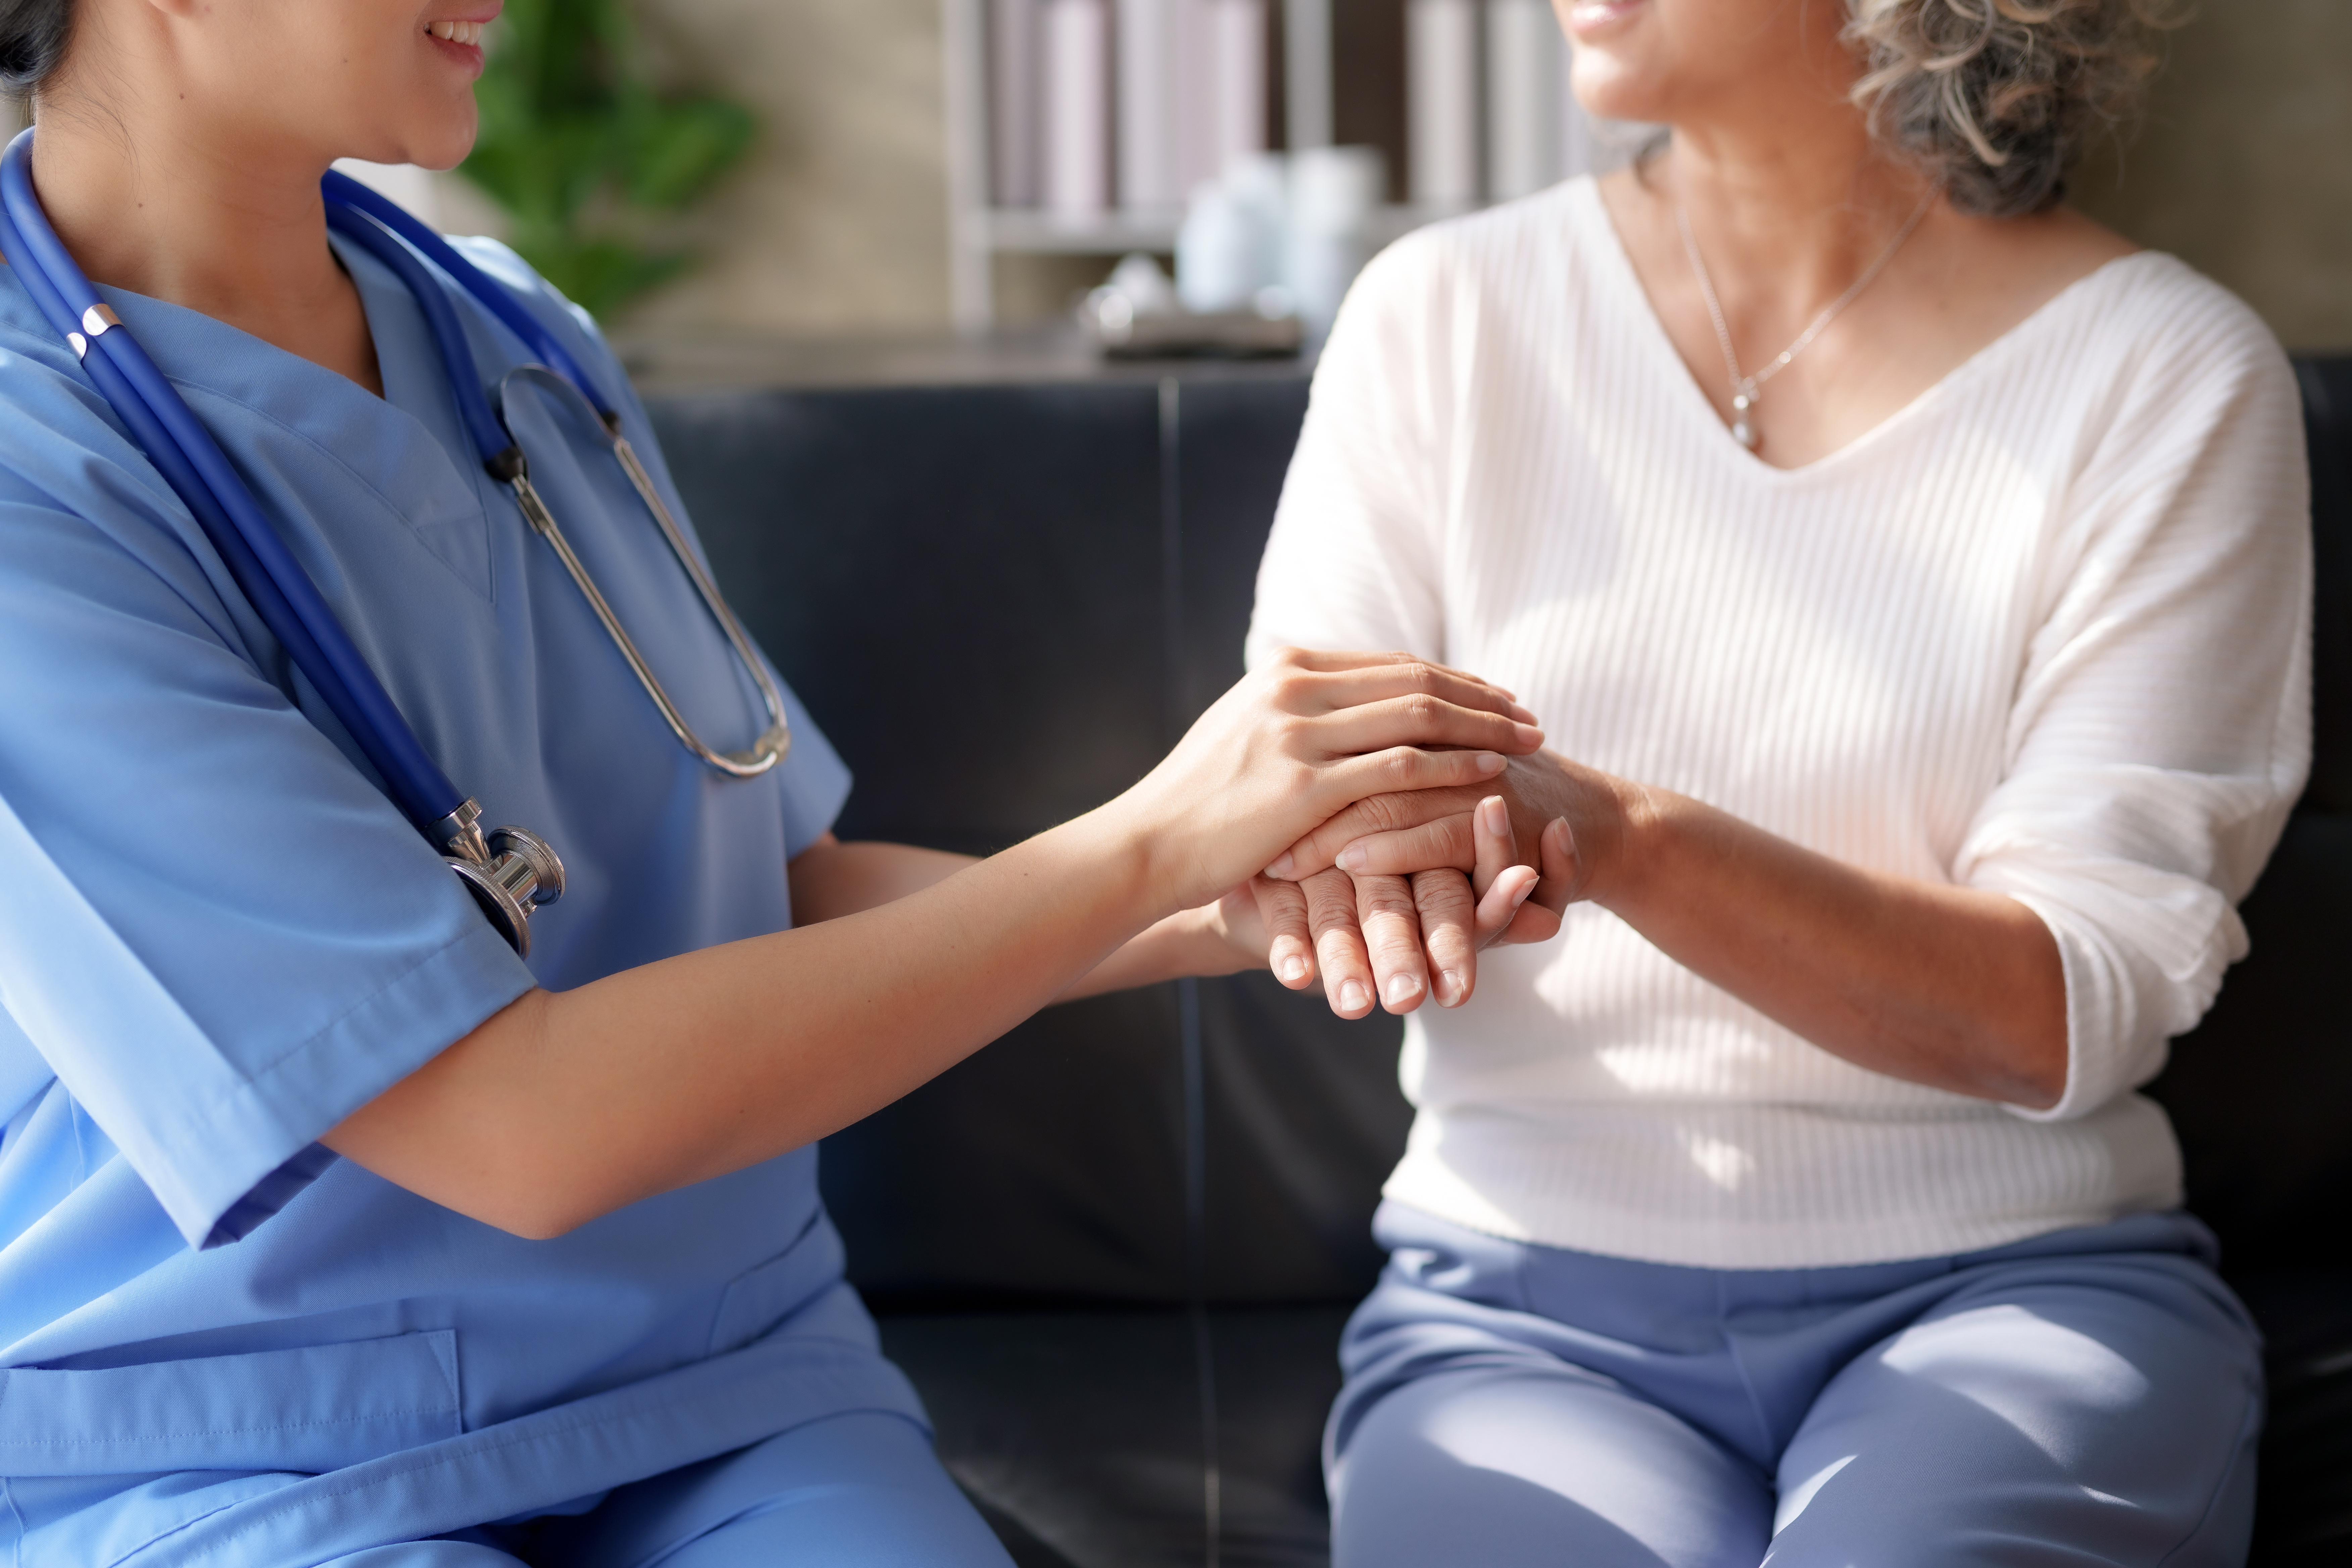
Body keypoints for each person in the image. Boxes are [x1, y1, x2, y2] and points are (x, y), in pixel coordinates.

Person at [0, 2, 1558, 1564]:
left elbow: (786, 893)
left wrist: (1238, 891)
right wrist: (1151, 844)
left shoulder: (515, 341)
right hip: (235, 1448)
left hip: (720, 1385)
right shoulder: (29, 477)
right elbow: (511, 1124)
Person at [1238, 0, 2313, 1562]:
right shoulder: (1441, 317)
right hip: (1520, 1313)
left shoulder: (2167, 376)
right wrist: (1331, 866)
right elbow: (1293, 819)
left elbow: (2055, 1005)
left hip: (2006, 1285)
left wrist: (1622, 842)